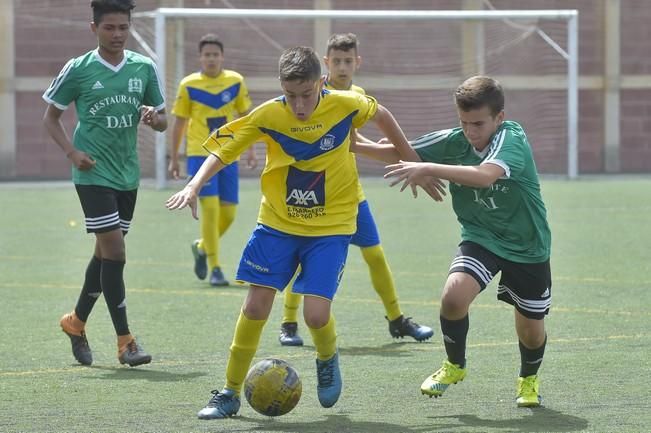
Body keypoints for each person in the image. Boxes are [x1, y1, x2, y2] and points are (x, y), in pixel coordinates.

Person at [165, 46, 419, 419]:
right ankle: (230, 392)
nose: (299, 105)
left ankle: (327, 357)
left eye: (306, 94)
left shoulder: (346, 103)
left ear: (321, 82)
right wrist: (194, 185)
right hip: (278, 224)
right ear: (281, 87)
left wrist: (413, 161)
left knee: (316, 316)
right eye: (290, 95)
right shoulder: (269, 114)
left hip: (331, 227)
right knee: (255, 305)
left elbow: (382, 114)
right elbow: (224, 151)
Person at [352, 75, 551, 407]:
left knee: (531, 329)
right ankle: (454, 366)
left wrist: (429, 168)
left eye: (478, 123)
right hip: (481, 237)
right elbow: (400, 152)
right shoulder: (454, 140)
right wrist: (354, 143)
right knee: (453, 297)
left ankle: (528, 379)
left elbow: (485, 176)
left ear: (499, 118)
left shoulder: (511, 138)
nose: (470, 131)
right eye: (463, 122)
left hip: (527, 245)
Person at [277, 32, 433, 346]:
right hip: (313, 193)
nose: (342, 66)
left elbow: (355, 142)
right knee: (302, 259)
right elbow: (348, 144)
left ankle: (397, 319)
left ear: (357, 62)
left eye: (348, 60)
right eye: (336, 61)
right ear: (326, 63)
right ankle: (289, 323)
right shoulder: (313, 93)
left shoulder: (358, 95)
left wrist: (390, 151)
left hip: (350, 193)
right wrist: (380, 150)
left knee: (375, 255)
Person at [42, 0, 167, 367]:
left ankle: (75, 322)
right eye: (109, 28)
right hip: (92, 173)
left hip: (127, 175)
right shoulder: (78, 69)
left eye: (123, 28)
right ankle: (126, 341)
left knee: (104, 254)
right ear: (93, 27)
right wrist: (71, 153)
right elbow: (51, 118)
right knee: (115, 252)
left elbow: (162, 120)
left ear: (130, 28)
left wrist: (152, 118)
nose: (117, 35)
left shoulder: (144, 68)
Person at [169, 34, 254, 287]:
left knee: (229, 213)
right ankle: (216, 268)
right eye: (207, 55)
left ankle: (202, 246)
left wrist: (249, 149)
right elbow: (180, 123)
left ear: (222, 57)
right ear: (200, 57)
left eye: (215, 54)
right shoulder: (188, 84)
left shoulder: (235, 81)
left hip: (229, 153)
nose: (211, 59)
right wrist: (175, 158)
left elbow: (246, 118)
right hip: (198, 154)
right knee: (211, 210)